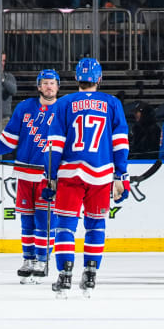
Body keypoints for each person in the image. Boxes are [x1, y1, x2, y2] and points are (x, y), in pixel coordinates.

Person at [44, 58, 130, 297]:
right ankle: (91, 274)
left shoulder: (63, 103)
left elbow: (54, 144)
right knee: (96, 225)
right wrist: (120, 175)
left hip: (70, 174)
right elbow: (120, 142)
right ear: (99, 79)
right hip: (101, 175)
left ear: (76, 79)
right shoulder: (112, 103)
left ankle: (65, 275)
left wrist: (50, 175)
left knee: (64, 227)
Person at [0, 70, 59, 282]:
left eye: (52, 83)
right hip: (25, 174)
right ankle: (28, 259)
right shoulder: (25, 108)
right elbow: (9, 139)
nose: (48, 87)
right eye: (45, 83)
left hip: (48, 177)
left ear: (57, 86)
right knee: (27, 220)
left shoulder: (63, 110)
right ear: (39, 86)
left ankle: (42, 261)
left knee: (44, 220)